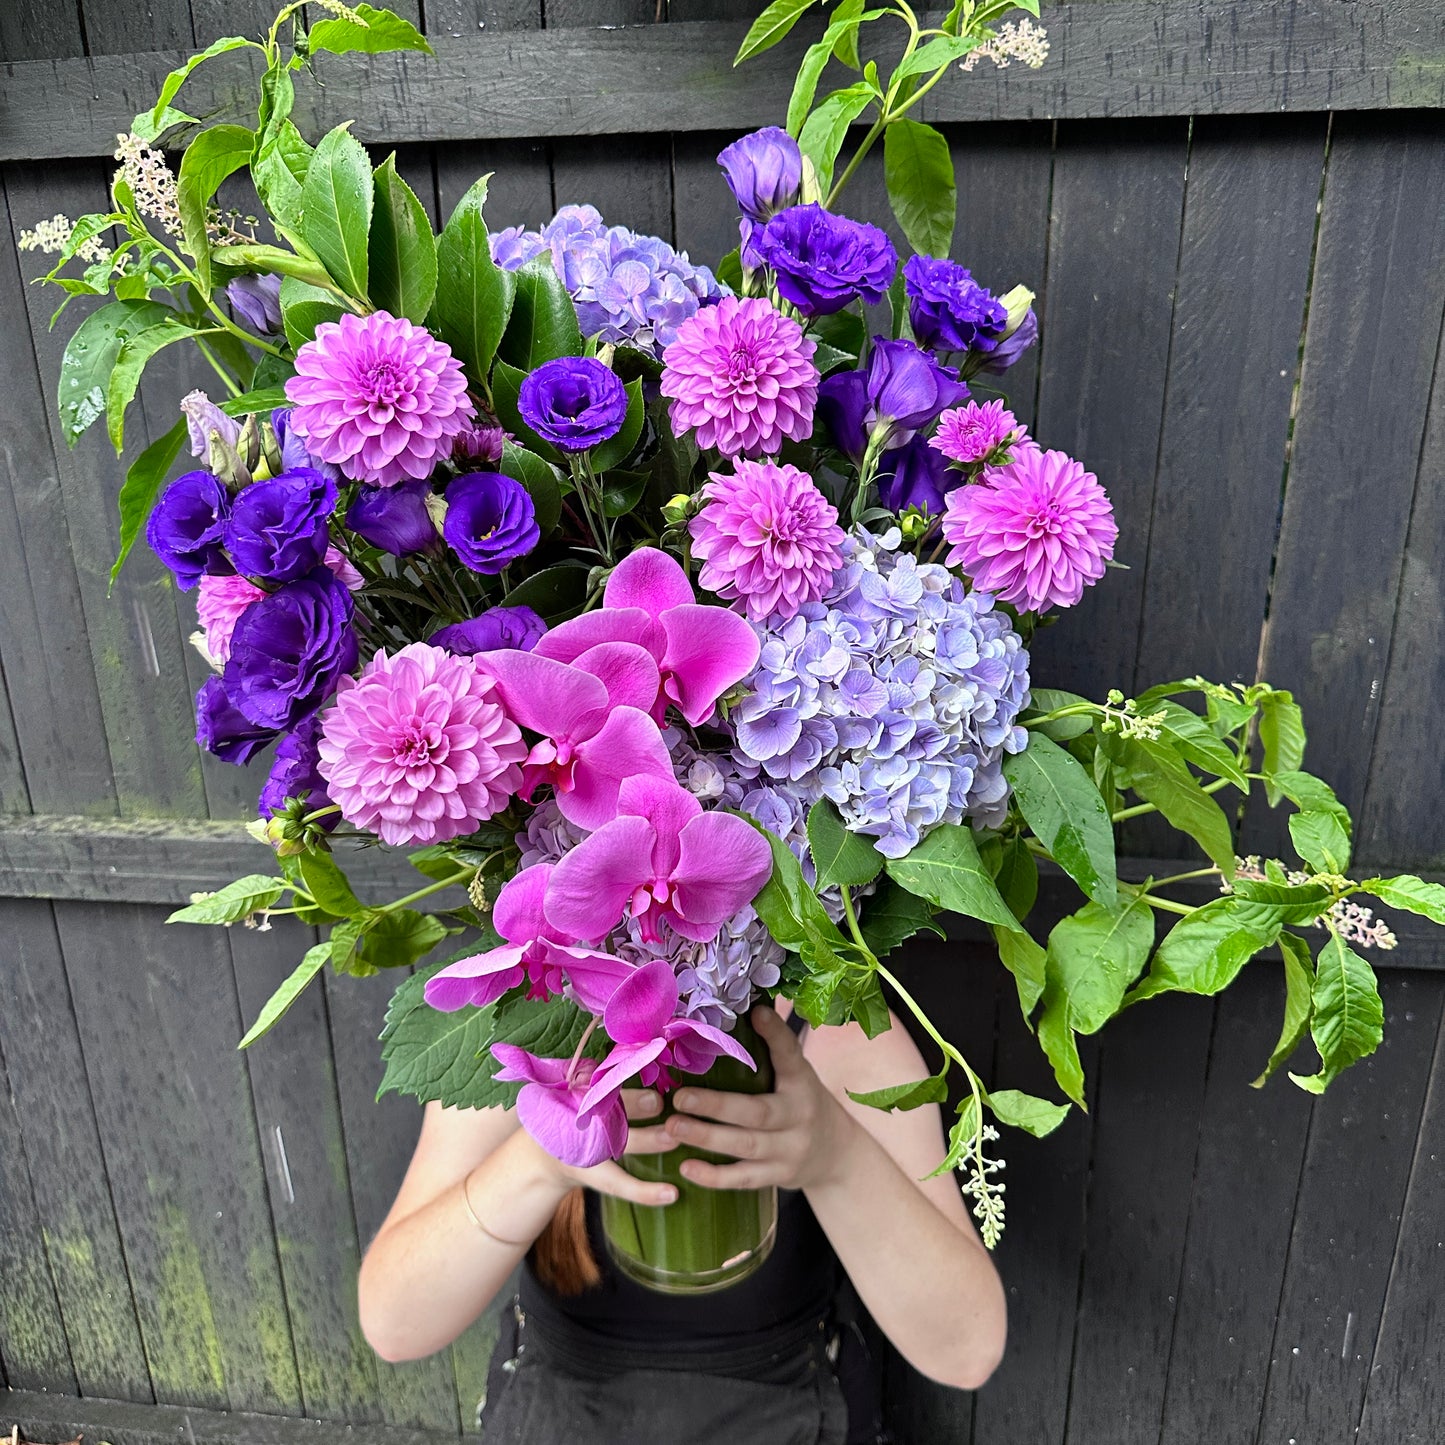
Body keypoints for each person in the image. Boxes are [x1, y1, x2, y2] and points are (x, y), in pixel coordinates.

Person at [358, 999, 1007, 1443]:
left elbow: (965, 1347)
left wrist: (833, 1155)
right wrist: (540, 1155)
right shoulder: (526, 1017)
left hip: (781, 1410)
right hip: (563, 1410)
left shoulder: (834, 1023)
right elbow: (395, 1322)